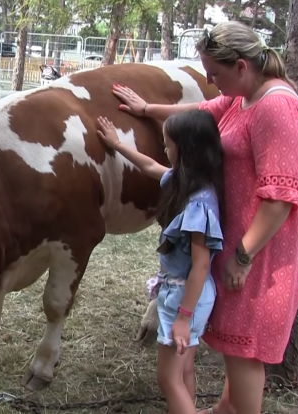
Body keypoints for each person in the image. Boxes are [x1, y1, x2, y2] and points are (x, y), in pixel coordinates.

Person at [109, 20, 298, 414]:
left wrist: (242, 256)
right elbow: (199, 111)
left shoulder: (276, 107)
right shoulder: (243, 97)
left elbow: (279, 199)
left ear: (241, 66)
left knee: (245, 354)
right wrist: (146, 109)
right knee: (235, 350)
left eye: (214, 73)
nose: (208, 79)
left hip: (260, 256)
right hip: (236, 245)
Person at [95, 110, 225, 414]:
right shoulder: (188, 183)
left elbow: (201, 265)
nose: (164, 150)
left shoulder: (198, 205)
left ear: (186, 148)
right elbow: (150, 166)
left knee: (168, 380)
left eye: (168, 145)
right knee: (184, 371)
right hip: (185, 295)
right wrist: (118, 144)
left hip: (186, 297)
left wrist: (183, 317)